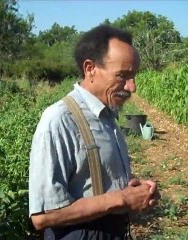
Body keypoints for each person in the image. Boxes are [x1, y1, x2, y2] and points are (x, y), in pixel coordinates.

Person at [29, 25, 160, 240]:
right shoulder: (60, 120)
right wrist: (122, 200)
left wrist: (136, 190)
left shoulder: (107, 115)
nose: (132, 87)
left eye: (134, 76)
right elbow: (42, 216)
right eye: (122, 76)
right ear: (90, 68)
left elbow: (97, 180)